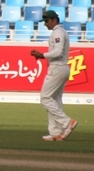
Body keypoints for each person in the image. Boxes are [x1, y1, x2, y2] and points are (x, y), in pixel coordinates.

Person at [31, 11, 78, 142]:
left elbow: (58, 52)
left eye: (46, 21)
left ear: (54, 20)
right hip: (60, 67)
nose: (45, 24)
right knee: (55, 100)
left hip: (57, 68)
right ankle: (56, 132)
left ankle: (67, 122)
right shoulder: (59, 32)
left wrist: (42, 55)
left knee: (45, 98)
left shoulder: (58, 33)